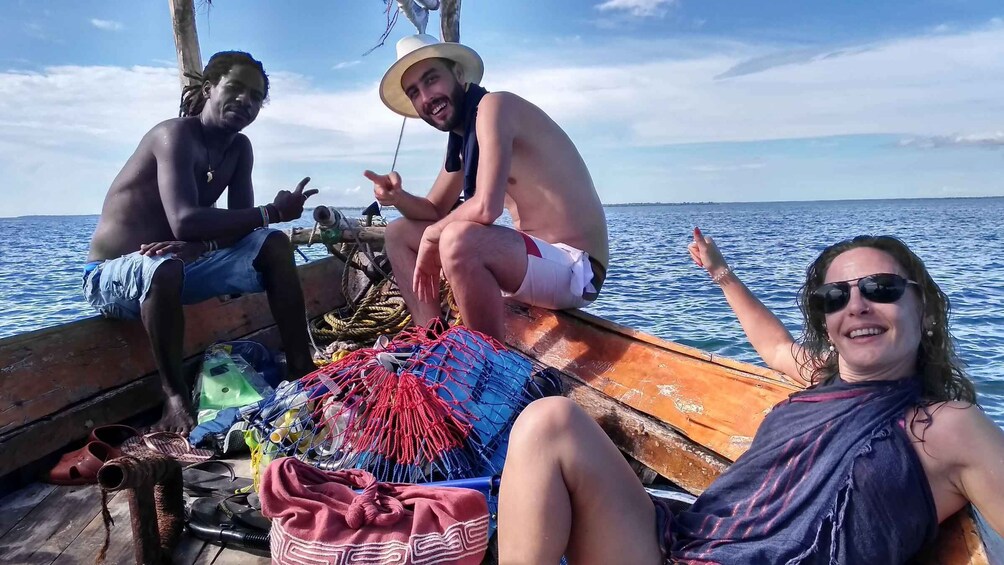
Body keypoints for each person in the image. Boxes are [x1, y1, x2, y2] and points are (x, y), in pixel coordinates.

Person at [497, 230, 1004, 564]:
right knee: (549, 421)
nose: (857, 306)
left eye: (881, 288)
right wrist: (721, 273)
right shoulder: (824, 378)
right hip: (682, 545)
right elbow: (775, 346)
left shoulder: (947, 426)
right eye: (836, 296)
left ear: (925, 306)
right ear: (826, 320)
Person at [84, 51, 318, 435]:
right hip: (112, 275)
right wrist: (271, 212)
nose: (246, 101)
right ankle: (174, 399)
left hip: (180, 265)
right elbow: (185, 220)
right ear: (209, 89)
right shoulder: (174, 135)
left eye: (256, 97)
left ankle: (301, 368)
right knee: (164, 265)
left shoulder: (239, 149)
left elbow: (242, 230)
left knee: (273, 243)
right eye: (236, 88)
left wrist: (207, 246)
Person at [364, 34, 609, 341]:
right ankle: (432, 341)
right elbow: (434, 209)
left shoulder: (494, 107)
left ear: (459, 74)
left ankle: (489, 365)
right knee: (399, 232)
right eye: (415, 92)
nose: (426, 97)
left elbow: (486, 207)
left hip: (577, 270)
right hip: (533, 264)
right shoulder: (464, 140)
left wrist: (432, 236)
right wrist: (396, 197)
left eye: (431, 80)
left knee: (457, 238)